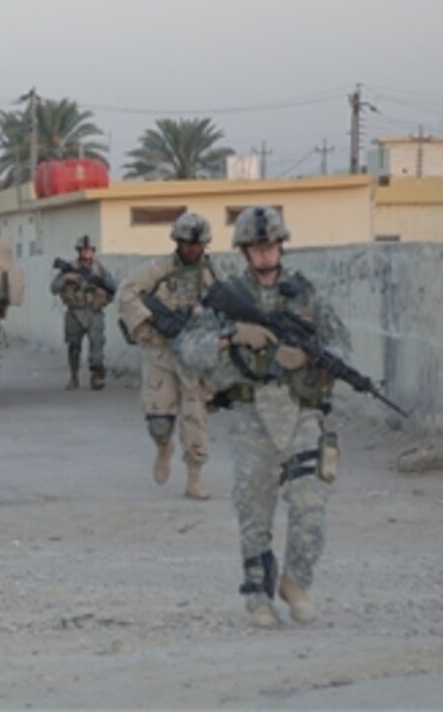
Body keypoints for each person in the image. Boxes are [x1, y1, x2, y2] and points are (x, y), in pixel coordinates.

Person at [173, 206, 350, 628]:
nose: (265, 254)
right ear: (244, 251)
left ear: (281, 246)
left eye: (271, 245)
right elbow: (186, 348)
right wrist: (232, 335)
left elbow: (341, 347)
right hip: (253, 412)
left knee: (311, 503)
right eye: (257, 247)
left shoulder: (306, 295)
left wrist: (306, 355)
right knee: (254, 508)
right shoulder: (228, 296)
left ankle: (297, 582)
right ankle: (257, 596)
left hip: (301, 412)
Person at [115, 211, 218, 500]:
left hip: (193, 357)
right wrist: (152, 321)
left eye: (197, 245)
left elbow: (224, 311)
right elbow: (126, 294)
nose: (191, 249)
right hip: (160, 351)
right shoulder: (157, 269)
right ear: (177, 242)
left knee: (195, 418)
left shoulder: (212, 275)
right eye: (186, 243)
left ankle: (194, 479)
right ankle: (164, 448)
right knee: (159, 423)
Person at [50, 235, 114, 390]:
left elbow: (112, 290)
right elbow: (53, 288)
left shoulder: (100, 270)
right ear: (79, 251)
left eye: (90, 249)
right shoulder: (69, 268)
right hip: (74, 312)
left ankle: (97, 375)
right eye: (84, 249)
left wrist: (102, 294)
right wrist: (67, 278)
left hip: (94, 311)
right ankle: (74, 377)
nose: (87, 252)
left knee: (97, 345)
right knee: (73, 346)